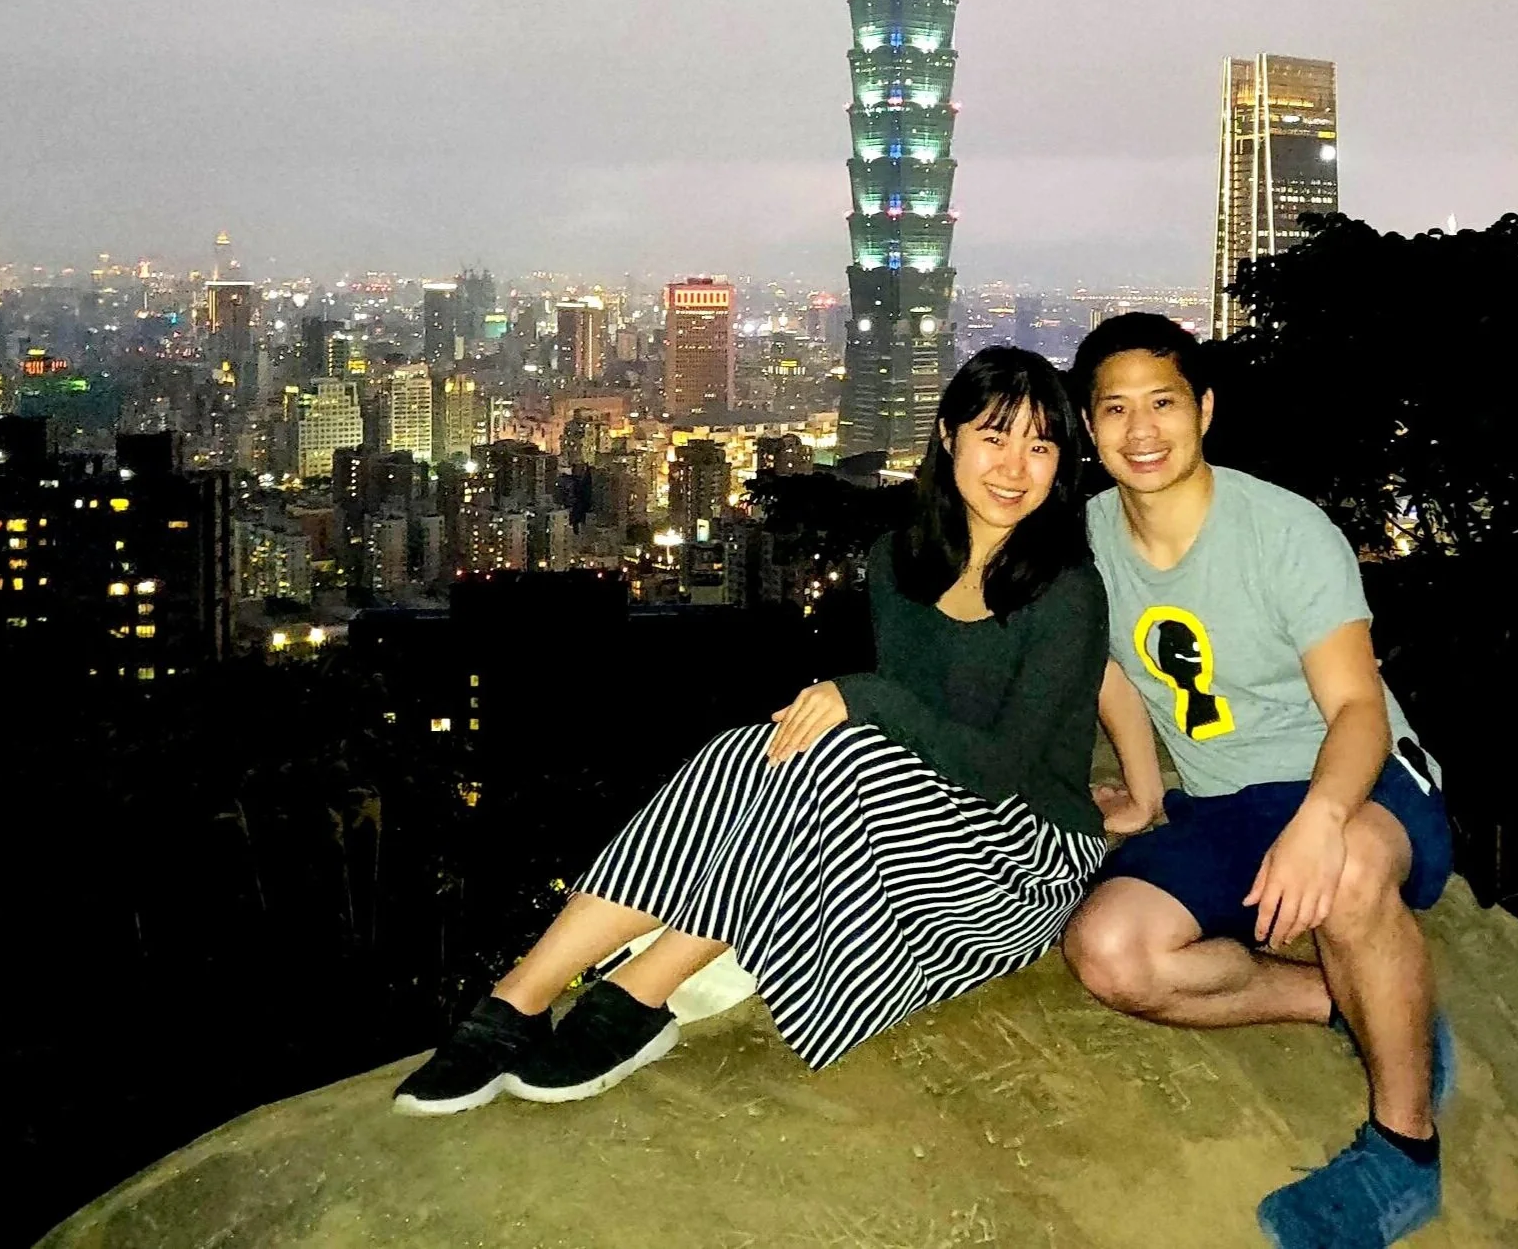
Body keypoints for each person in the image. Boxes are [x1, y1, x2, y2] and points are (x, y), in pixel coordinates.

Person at [394, 346, 1113, 1116]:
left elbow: (999, 767)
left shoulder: (1065, 590)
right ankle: (521, 995)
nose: (1014, 467)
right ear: (948, 435)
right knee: (744, 748)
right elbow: (910, 728)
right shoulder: (900, 561)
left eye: (1041, 446)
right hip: (923, 814)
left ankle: (640, 993)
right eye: (994, 437)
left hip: (1021, 859)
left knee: (841, 742)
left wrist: (864, 696)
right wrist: (868, 707)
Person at [1060, 314, 1455, 1249]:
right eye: (1115, 409)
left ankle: (1405, 1150)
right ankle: (1342, 1000)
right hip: (1223, 802)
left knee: (1347, 870)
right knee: (1111, 952)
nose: (1142, 430)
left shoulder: (1284, 530)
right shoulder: (1086, 540)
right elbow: (1114, 672)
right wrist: (1147, 795)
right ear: (1089, 425)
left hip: (1361, 776)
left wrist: (1321, 818)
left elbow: (1357, 708)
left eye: (1163, 402)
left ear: (1204, 408)